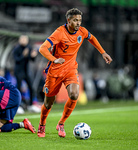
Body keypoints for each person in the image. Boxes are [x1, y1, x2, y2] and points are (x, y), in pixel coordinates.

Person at [37, 8, 112, 138]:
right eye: (75, 20)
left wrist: (103, 52)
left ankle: (61, 123)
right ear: (68, 20)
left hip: (71, 70)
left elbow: (92, 38)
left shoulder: (82, 32)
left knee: (74, 94)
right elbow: (42, 48)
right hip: (55, 72)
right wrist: (54, 59)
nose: (78, 23)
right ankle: (42, 125)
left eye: (80, 20)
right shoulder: (59, 32)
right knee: (49, 103)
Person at [13, 35, 40, 113]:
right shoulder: (16, 48)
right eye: (22, 39)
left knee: (31, 87)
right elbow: (16, 59)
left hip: (26, 71)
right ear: (19, 40)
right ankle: (18, 106)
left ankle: (31, 105)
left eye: (25, 39)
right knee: (18, 88)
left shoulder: (29, 48)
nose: (24, 41)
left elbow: (32, 59)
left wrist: (33, 56)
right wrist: (23, 55)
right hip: (18, 71)